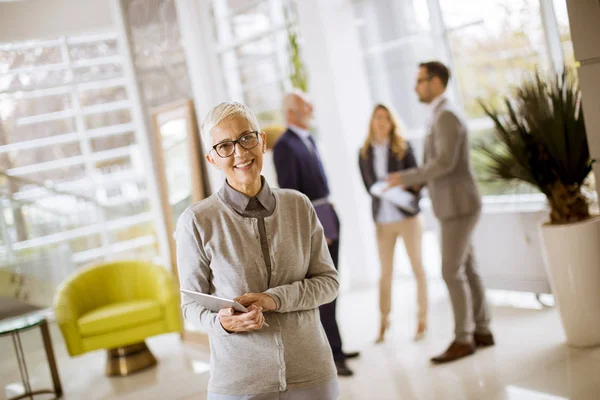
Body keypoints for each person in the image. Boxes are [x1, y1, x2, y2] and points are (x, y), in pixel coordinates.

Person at [176, 102, 340, 399]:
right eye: (224, 146)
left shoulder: (299, 205)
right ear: (212, 159)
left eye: (246, 138)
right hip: (241, 385)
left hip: (312, 375)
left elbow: (328, 283)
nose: (239, 152)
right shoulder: (197, 221)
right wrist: (221, 323)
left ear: (262, 141)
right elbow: (190, 305)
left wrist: (273, 300)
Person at [386, 61, 494, 364]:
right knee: (467, 268)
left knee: (450, 271)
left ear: (436, 82)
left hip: (458, 205)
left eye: (420, 80)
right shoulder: (440, 113)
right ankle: (482, 330)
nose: (415, 87)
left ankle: (463, 339)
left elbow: (445, 162)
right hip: (455, 203)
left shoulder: (446, 114)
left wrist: (406, 177)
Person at [273, 90, 359, 376]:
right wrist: (315, 228)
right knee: (323, 289)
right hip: (316, 222)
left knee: (333, 284)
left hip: (328, 214)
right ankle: (332, 355)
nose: (311, 107)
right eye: (304, 105)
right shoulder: (285, 145)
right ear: (291, 113)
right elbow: (292, 195)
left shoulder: (308, 139)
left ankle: (337, 346)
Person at [358, 104, 429, 344]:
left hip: (407, 217)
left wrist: (399, 186)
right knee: (385, 274)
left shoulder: (402, 147)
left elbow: (419, 179)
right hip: (383, 221)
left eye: (386, 118)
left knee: (417, 267)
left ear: (392, 122)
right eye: (377, 117)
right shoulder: (364, 152)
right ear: (372, 121)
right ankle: (383, 321)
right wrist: (381, 189)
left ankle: (422, 318)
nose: (381, 122)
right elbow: (369, 187)